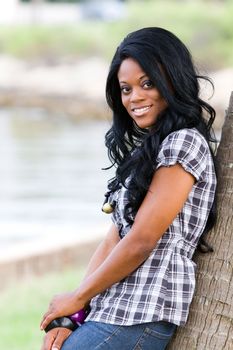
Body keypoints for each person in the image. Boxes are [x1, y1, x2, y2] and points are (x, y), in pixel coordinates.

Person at [40, 27, 217, 350]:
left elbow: (141, 241)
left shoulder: (185, 142)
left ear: (172, 81)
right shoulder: (149, 149)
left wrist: (76, 297)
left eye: (147, 84)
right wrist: (75, 314)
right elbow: (115, 237)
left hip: (141, 314)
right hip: (113, 309)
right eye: (125, 88)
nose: (134, 97)